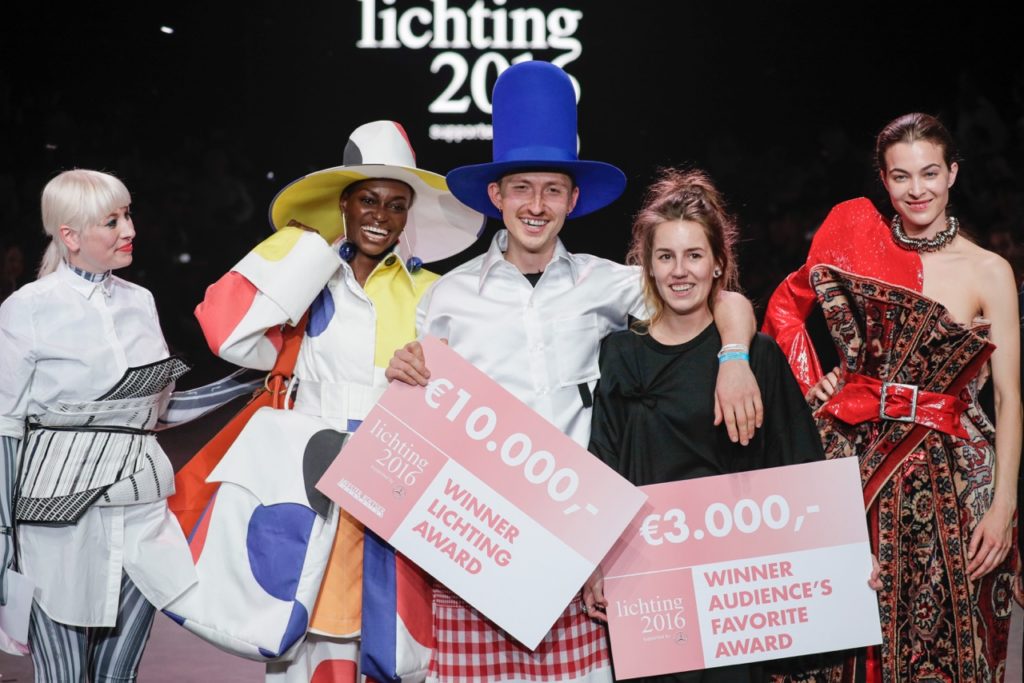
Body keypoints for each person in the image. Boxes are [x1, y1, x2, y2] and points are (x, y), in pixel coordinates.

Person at [386, 61, 762, 683]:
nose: (536, 206)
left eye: (552, 190)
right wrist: (404, 370)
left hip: (579, 547)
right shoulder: (447, 297)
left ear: (573, 199)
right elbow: (422, 410)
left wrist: (735, 357)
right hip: (480, 545)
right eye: (521, 188)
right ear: (496, 196)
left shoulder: (607, 284)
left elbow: (722, 297)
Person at [194, 120, 485, 683]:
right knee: (303, 646)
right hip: (309, 483)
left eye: (396, 205)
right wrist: (308, 246)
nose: (381, 215)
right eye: (368, 200)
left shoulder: (436, 291)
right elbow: (225, 332)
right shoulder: (306, 283)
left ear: (409, 216)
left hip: (394, 481)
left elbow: (462, 395)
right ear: (343, 206)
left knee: (387, 647)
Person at [763, 112, 1021, 682]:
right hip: (853, 458)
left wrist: (1004, 506)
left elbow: (1009, 399)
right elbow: (785, 307)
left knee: (946, 641)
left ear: (953, 173)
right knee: (840, 630)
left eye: (930, 172)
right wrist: (812, 379)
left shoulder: (989, 270)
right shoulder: (857, 243)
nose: (917, 189)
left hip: (955, 475)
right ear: (883, 179)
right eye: (901, 176)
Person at [582, 168, 829, 682]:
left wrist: (841, 558)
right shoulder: (619, 355)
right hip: (650, 593)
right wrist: (597, 561)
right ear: (647, 265)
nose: (680, 271)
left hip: (736, 595)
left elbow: (800, 468)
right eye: (665, 256)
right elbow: (602, 466)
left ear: (718, 264)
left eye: (694, 255)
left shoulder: (755, 356)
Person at [0, 169, 198, 681]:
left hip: (138, 509)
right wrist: (2, 535)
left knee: (118, 676)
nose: (129, 230)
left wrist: (253, 385)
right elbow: (5, 424)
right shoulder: (28, 308)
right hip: (57, 518)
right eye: (112, 221)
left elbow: (155, 412)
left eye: (127, 215)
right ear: (70, 235)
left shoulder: (141, 301)